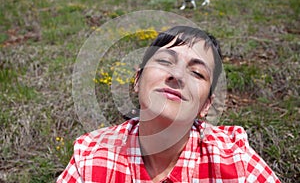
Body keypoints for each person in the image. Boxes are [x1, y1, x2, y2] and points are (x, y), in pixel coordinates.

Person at [57, 26, 280, 182]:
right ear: (137, 80)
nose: (177, 75)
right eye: (165, 61)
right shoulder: (91, 158)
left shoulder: (235, 161)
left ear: (206, 105)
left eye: (197, 73)